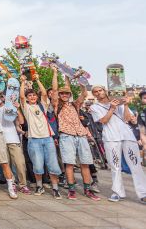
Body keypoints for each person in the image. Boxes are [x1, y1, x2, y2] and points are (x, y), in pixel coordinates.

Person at [90, 86, 146, 204]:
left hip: (127, 136)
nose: (98, 93)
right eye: (95, 91)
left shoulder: (119, 102)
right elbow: (104, 121)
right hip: (111, 138)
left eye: (100, 90)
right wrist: (112, 108)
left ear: (105, 91)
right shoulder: (94, 107)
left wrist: (125, 105)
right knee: (115, 166)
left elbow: (128, 119)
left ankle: (143, 193)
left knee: (135, 164)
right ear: (94, 94)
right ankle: (117, 192)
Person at [51, 68, 100, 201]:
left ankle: (87, 189)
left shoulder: (74, 105)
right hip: (66, 135)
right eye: (62, 93)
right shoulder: (57, 105)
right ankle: (71, 189)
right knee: (69, 164)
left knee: (85, 163)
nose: (64, 95)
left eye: (67, 93)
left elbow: (84, 94)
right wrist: (55, 73)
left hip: (81, 135)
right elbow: (54, 91)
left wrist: (81, 79)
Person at [19, 74, 62, 199]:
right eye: (29, 96)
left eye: (33, 95)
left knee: (53, 164)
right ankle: (39, 185)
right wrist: (22, 82)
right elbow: (21, 96)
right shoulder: (26, 108)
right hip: (34, 140)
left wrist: (37, 79)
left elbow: (44, 93)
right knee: (37, 165)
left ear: (36, 97)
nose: (32, 97)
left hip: (48, 138)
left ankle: (55, 188)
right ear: (27, 99)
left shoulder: (42, 106)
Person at [0, 96, 31, 195]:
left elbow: (20, 123)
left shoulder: (13, 109)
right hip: (1, 140)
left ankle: (23, 185)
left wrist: (17, 109)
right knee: (6, 164)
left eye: (5, 97)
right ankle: (11, 183)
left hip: (13, 139)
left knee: (20, 163)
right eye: (2, 97)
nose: (3, 98)